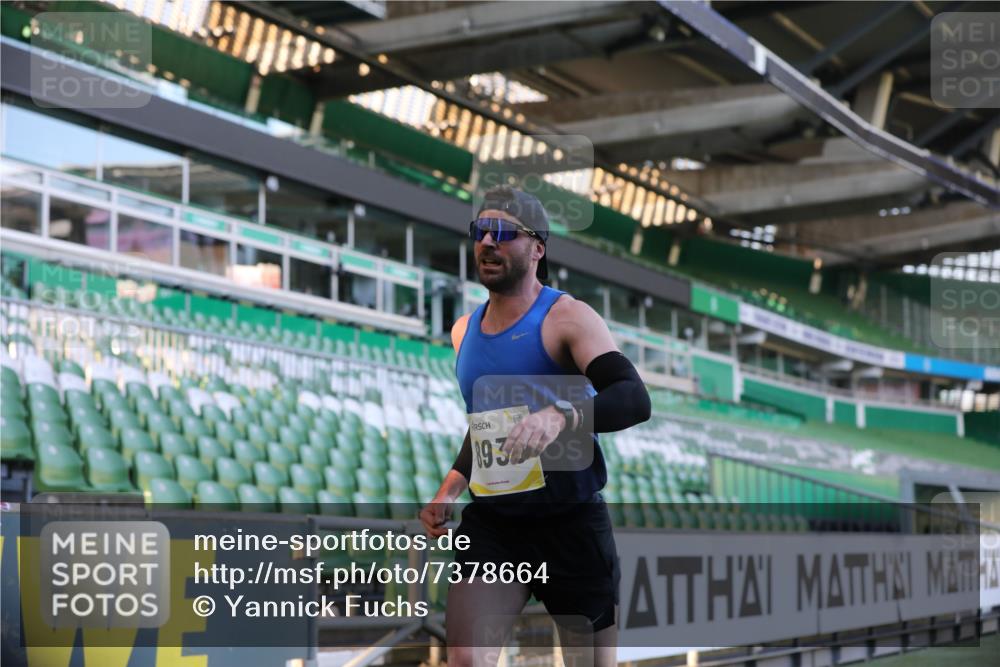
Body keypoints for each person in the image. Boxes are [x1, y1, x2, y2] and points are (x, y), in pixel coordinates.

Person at [419, 186, 651, 667]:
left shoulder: (567, 316)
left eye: (503, 233)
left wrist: (562, 416)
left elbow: (633, 398)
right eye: (480, 232)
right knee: (466, 658)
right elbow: (485, 427)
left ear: (538, 248)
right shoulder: (463, 330)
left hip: (571, 522)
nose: (488, 242)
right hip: (496, 526)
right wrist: (450, 487)